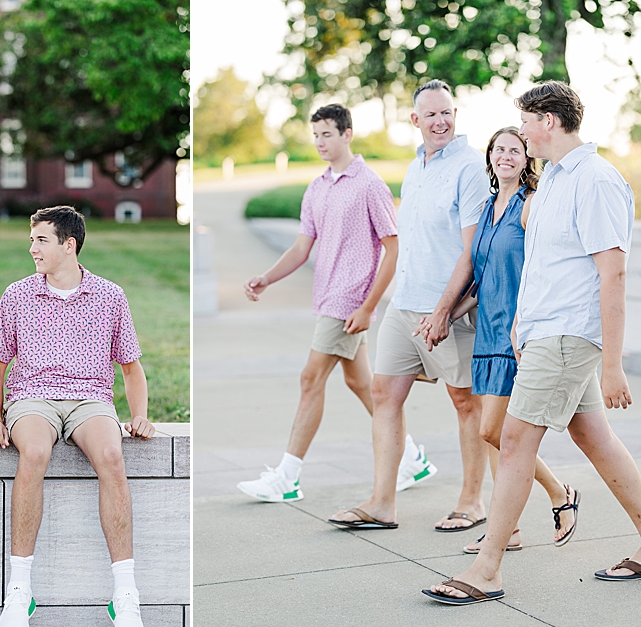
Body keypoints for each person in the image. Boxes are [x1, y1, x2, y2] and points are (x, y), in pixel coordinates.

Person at [424, 80, 641, 606]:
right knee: (595, 440)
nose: (519, 130)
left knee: (515, 440)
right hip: (544, 333)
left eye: (525, 121)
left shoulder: (595, 179)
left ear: (549, 121)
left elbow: (611, 272)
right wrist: (522, 322)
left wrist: (613, 364)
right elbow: (542, 265)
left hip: (569, 336)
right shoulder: (553, 185)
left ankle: (487, 569)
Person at [238, 103, 431, 504]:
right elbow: (301, 246)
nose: (320, 143)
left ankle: (288, 477)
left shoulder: (370, 184)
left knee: (310, 379)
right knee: (362, 384)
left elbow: (393, 250)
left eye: (327, 134)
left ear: (347, 134)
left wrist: (367, 306)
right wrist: (267, 278)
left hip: (348, 300)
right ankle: (411, 457)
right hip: (327, 296)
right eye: (316, 136)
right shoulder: (318, 187)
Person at [0, 205, 153, 627]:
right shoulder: (16, 295)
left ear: (68, 245)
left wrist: (139, 415)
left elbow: (131, 367)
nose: (32, 247)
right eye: (32, 239)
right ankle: (20, 589)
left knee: (112, 456)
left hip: (90, 398)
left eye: (41, 240)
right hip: (31, 398)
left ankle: (125, 593)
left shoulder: (110, 296)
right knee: (35, 452)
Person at [328, 79, 490, 531]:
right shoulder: (415, 166)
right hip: (406, 303)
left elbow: (472, 250)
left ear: (455, 115)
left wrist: (443, 309)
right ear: (415, 120)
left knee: (465, 402)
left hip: (449, 307)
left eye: (447, 112)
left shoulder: (471, 167)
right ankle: (382, 502)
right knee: (384, 393)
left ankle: (472, 501)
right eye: (431, 114)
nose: (441, 121)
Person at [418, 127, 578, 553]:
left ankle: (558, 494)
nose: (506, 155)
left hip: (517, 335)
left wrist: (523, 323)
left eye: (515, 149)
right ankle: (513, 528)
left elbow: (541, 270)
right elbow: (483, 278)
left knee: (497, 432)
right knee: (494, 434)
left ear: (527, 160)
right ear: (489, 157)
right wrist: (445, 316)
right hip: (486, 332)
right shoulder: (488, 207)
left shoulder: (530, 206)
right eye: (499, 149)